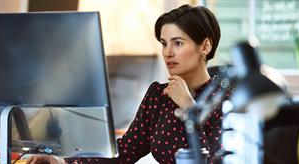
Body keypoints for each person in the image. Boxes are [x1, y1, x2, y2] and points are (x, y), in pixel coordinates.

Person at [27, 4, 233, 164]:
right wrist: (62, 161)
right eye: (164, 43)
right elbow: (124, 151)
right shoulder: (158, 96)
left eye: (178, 43)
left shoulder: (227, 100)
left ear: (205, 46)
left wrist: (190, 109)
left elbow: (216, 161)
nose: (168, 53)